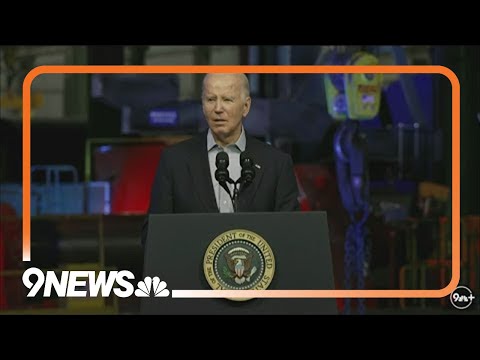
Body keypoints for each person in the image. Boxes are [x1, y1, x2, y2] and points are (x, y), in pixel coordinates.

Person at [141, 73, 300, 245]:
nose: (218, 108)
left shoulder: (276, 164)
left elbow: (290, 236)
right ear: (203, 105)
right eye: (210, 100)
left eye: (227, 100)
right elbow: (153, 234)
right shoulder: (174, 161)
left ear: (245, 106)